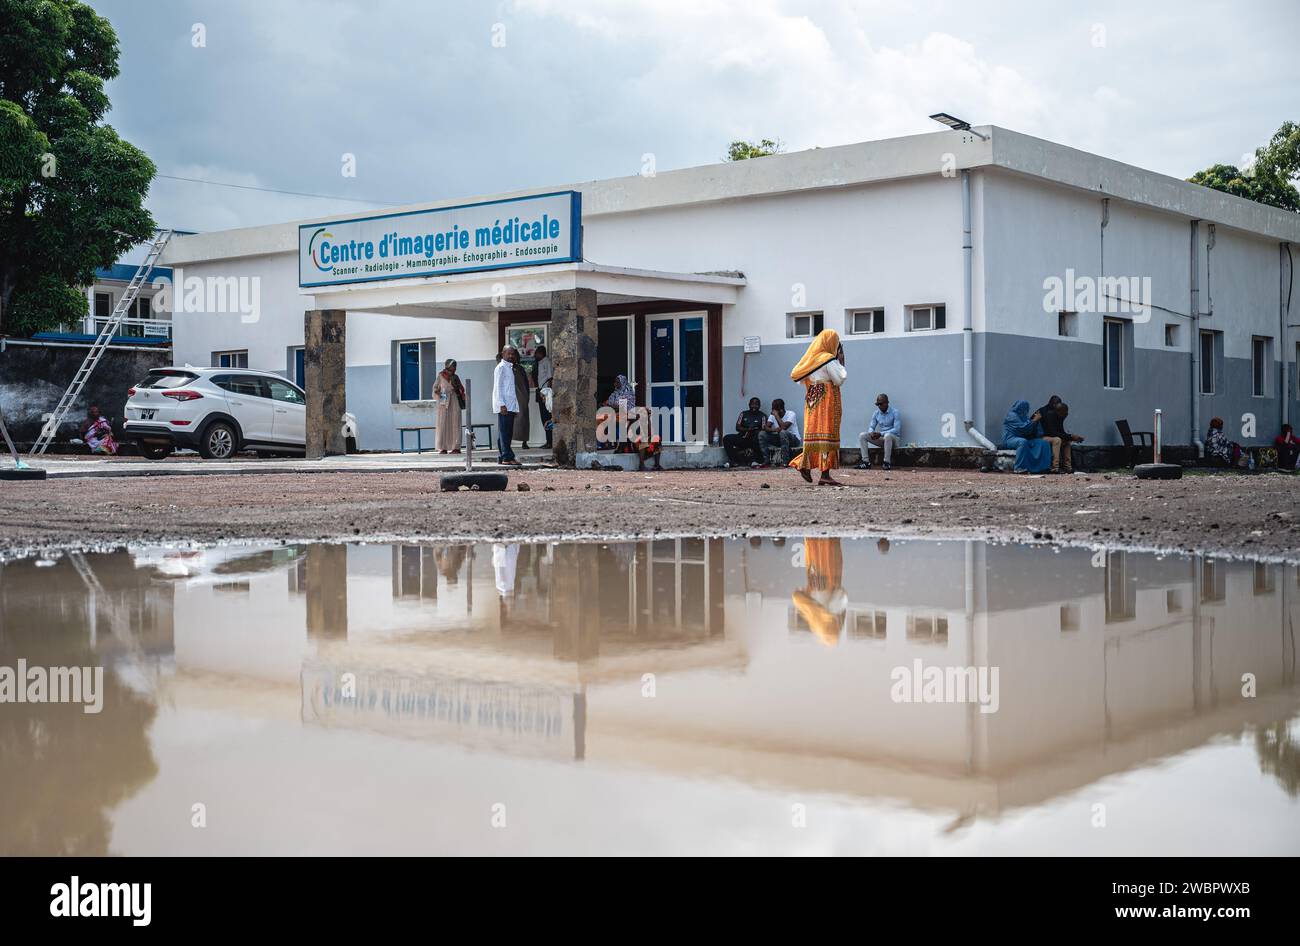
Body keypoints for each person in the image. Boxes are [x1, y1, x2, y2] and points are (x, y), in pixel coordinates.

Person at [788, 329, 847, 485]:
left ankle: (804, 465)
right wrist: (841, 361)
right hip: (827, 400)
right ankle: (825, 475)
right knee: (827, 434)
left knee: (814, 435)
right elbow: (840, 379)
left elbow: (799, 378)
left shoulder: (811, 360)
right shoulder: (828, 359)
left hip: (812, 400)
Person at [791, 537, 846, 647]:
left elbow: (841, 593)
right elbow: (796, 595)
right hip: (816, 572)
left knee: (824, 546)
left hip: (825, 570)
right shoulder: (813, 615)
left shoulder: (831, 611)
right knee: (816, 547)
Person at [1036, 396, 1084, 473]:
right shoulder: (1046, 413)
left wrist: (1071, 437)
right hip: (1039, 437)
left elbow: (1060, 431)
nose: (1066, 415)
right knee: (1057, 440)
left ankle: (1068, 468)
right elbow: (1053, 433)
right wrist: (1071, 436)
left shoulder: (1057, 414)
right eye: (1064, 413)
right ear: (1054, 405)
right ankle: (1055, 468)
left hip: (1050, 436)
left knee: (1066, 442)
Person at [1001, 400, 1052, 473]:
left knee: (1044, 443)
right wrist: (1034, 420)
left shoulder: (1024, 417)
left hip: (1025, 438)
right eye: (1025, 408)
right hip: (1010, 439)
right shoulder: (1011, 415)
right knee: (1022, 442)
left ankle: (1043, 468)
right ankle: (1019, 467)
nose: (1027, 410)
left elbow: (1030, 430)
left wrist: (1037, 422)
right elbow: (1023, 428)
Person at [492, 346, 521, 465]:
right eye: (508, 354)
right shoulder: (501, 368)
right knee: (505, 432)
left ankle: (503, 456)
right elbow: (498, 387)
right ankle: (507, 457)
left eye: (512, 354)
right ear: (503, 353)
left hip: (510, 405)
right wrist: (502, 404)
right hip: (504, 405)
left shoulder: (510, 368)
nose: (511, 356)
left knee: (506, 432)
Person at [856, 393, 900, 470]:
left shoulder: (895, 412)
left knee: (888, 435)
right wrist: (871, 432)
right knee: (862, 435)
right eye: (878, 404)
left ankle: (887, 462)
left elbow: (896, 429)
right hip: (883, 439)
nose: (879, 406)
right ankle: (865, 462)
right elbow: (871, 427)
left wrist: (880, 433)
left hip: (894, 440)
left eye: (881, 404)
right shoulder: (876, 413)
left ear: (887, 403)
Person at [432, 359, 465, 454]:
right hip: (443, 401)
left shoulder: (456, 377)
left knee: (455, 424)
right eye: (453, 366)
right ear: (447, 366)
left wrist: (458, 389)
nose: (455, 368)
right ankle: (443, 447)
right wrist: (439, 393)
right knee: (443, 424)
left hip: (455, 401)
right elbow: (435, 389)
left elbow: (462, 389)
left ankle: (456, 447)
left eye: (455, 366)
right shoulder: (441, 376)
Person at [723, 397, 767, 467]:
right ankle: (733, 461)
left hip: (754, 440)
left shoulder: (762, 416)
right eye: (752, 404)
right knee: (727, 438)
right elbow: (737, 427)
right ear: (749, 404)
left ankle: (756, 460)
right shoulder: (743, 414)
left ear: (759, 405)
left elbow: (763, 430)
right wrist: (747, 430)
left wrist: (753, 431)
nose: (754, 406)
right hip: (743, 437)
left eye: (756, 404)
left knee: (758, 436)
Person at [760, 398, 801, 465]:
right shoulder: (772, 415)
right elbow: (765, 428)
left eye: (773, 408)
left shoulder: (791, 414)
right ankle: (766, 460)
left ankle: (785, 461)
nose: (772, 410)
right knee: (762, 434)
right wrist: (774, 430)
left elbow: (784, 427)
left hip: (794, 440)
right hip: (780, 439)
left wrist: (776, 415)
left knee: (783, 432)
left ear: (780, 409)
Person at [534, 345, 554, 449]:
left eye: (537, 352)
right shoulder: (539, 363)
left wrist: (548, 395)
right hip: (540, 391)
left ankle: (550, 442)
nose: (535, 354)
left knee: (547, 417)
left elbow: (550, 378)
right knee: (543, 418)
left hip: (545, 393)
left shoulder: (546, 361)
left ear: (541, 353)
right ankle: (548, 441)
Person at [511, 354, 532, 449]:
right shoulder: (506, 368)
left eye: (515, 356)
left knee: (523, 419)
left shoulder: (520, 369)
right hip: (511, 398)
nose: (514, 358)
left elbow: (526, 384)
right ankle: (507, 443)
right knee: (510, 420)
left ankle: (524, 442)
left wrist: (527, 396)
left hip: (522, 397)